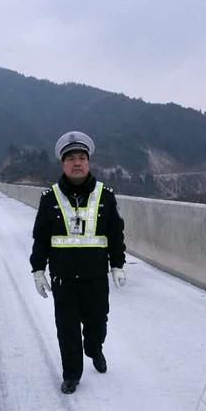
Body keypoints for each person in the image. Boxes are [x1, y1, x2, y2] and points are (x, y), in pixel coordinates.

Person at [30, 131, 126, 394]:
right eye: (71, 158)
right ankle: (72, 374)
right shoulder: (49, 198)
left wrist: (117, 265)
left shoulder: (105, 195)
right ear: (63, 164)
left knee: (97, 325)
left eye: (81, 157)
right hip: (63, 280)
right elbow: (41, 238)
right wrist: (38, 270)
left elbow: (115, 234)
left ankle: (94, 349)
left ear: (89, 162)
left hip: (95, 279)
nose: (77, 163)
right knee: (66, 330)